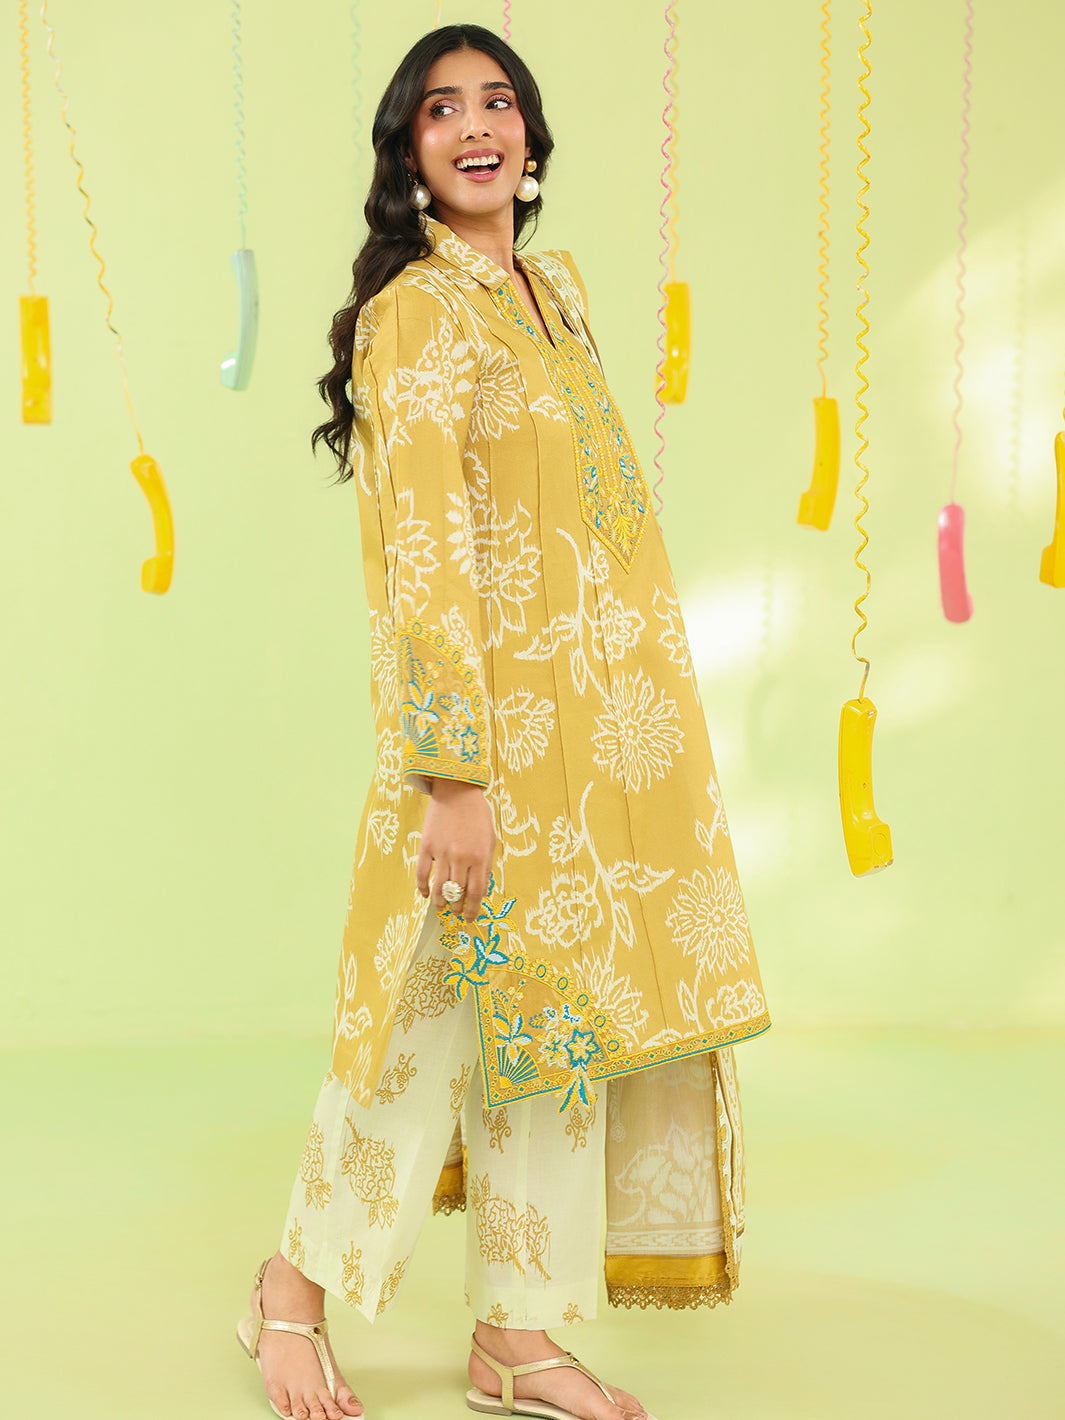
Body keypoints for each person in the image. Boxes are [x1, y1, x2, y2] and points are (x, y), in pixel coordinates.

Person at [236, 23, 770, 1420]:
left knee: (557, 1041)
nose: (474, 127)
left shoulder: (552, 291)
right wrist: (451, 774)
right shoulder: (418, 312)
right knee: (417, 1027)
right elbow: (421, 551)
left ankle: (516, 1335)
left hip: (597, 744)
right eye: (440, 110)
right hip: (478, 751)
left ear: (529, 137)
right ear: (407, 152)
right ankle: (288, 1291)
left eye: (496, 103)